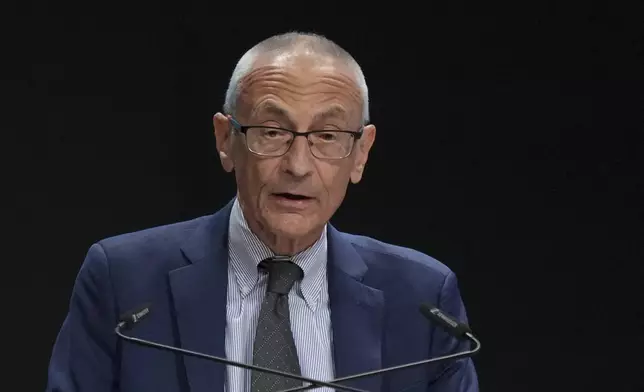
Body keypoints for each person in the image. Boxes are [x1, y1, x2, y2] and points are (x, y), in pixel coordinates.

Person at [46, 31, 479, 392]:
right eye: (272, 132)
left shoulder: (422, 299)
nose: (298, 165)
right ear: (224, 139)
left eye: (327, 135)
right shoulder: (124, 283)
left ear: (360, 153)